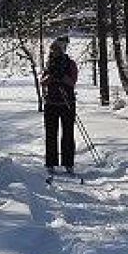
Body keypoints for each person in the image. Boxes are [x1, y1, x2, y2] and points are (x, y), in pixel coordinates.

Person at [40, 35, 78, 174]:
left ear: (62, 50)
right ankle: (50, 163)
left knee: (68, 134)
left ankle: (68, 163)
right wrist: (50, 77)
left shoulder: (70, 63)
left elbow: (72, 81)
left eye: (56, 49)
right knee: (51, 134)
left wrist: (61, 77)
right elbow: (42, 81)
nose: (53, 52)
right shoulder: (49, 64)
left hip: (67, 103)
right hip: (51, 103)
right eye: (52, 49)